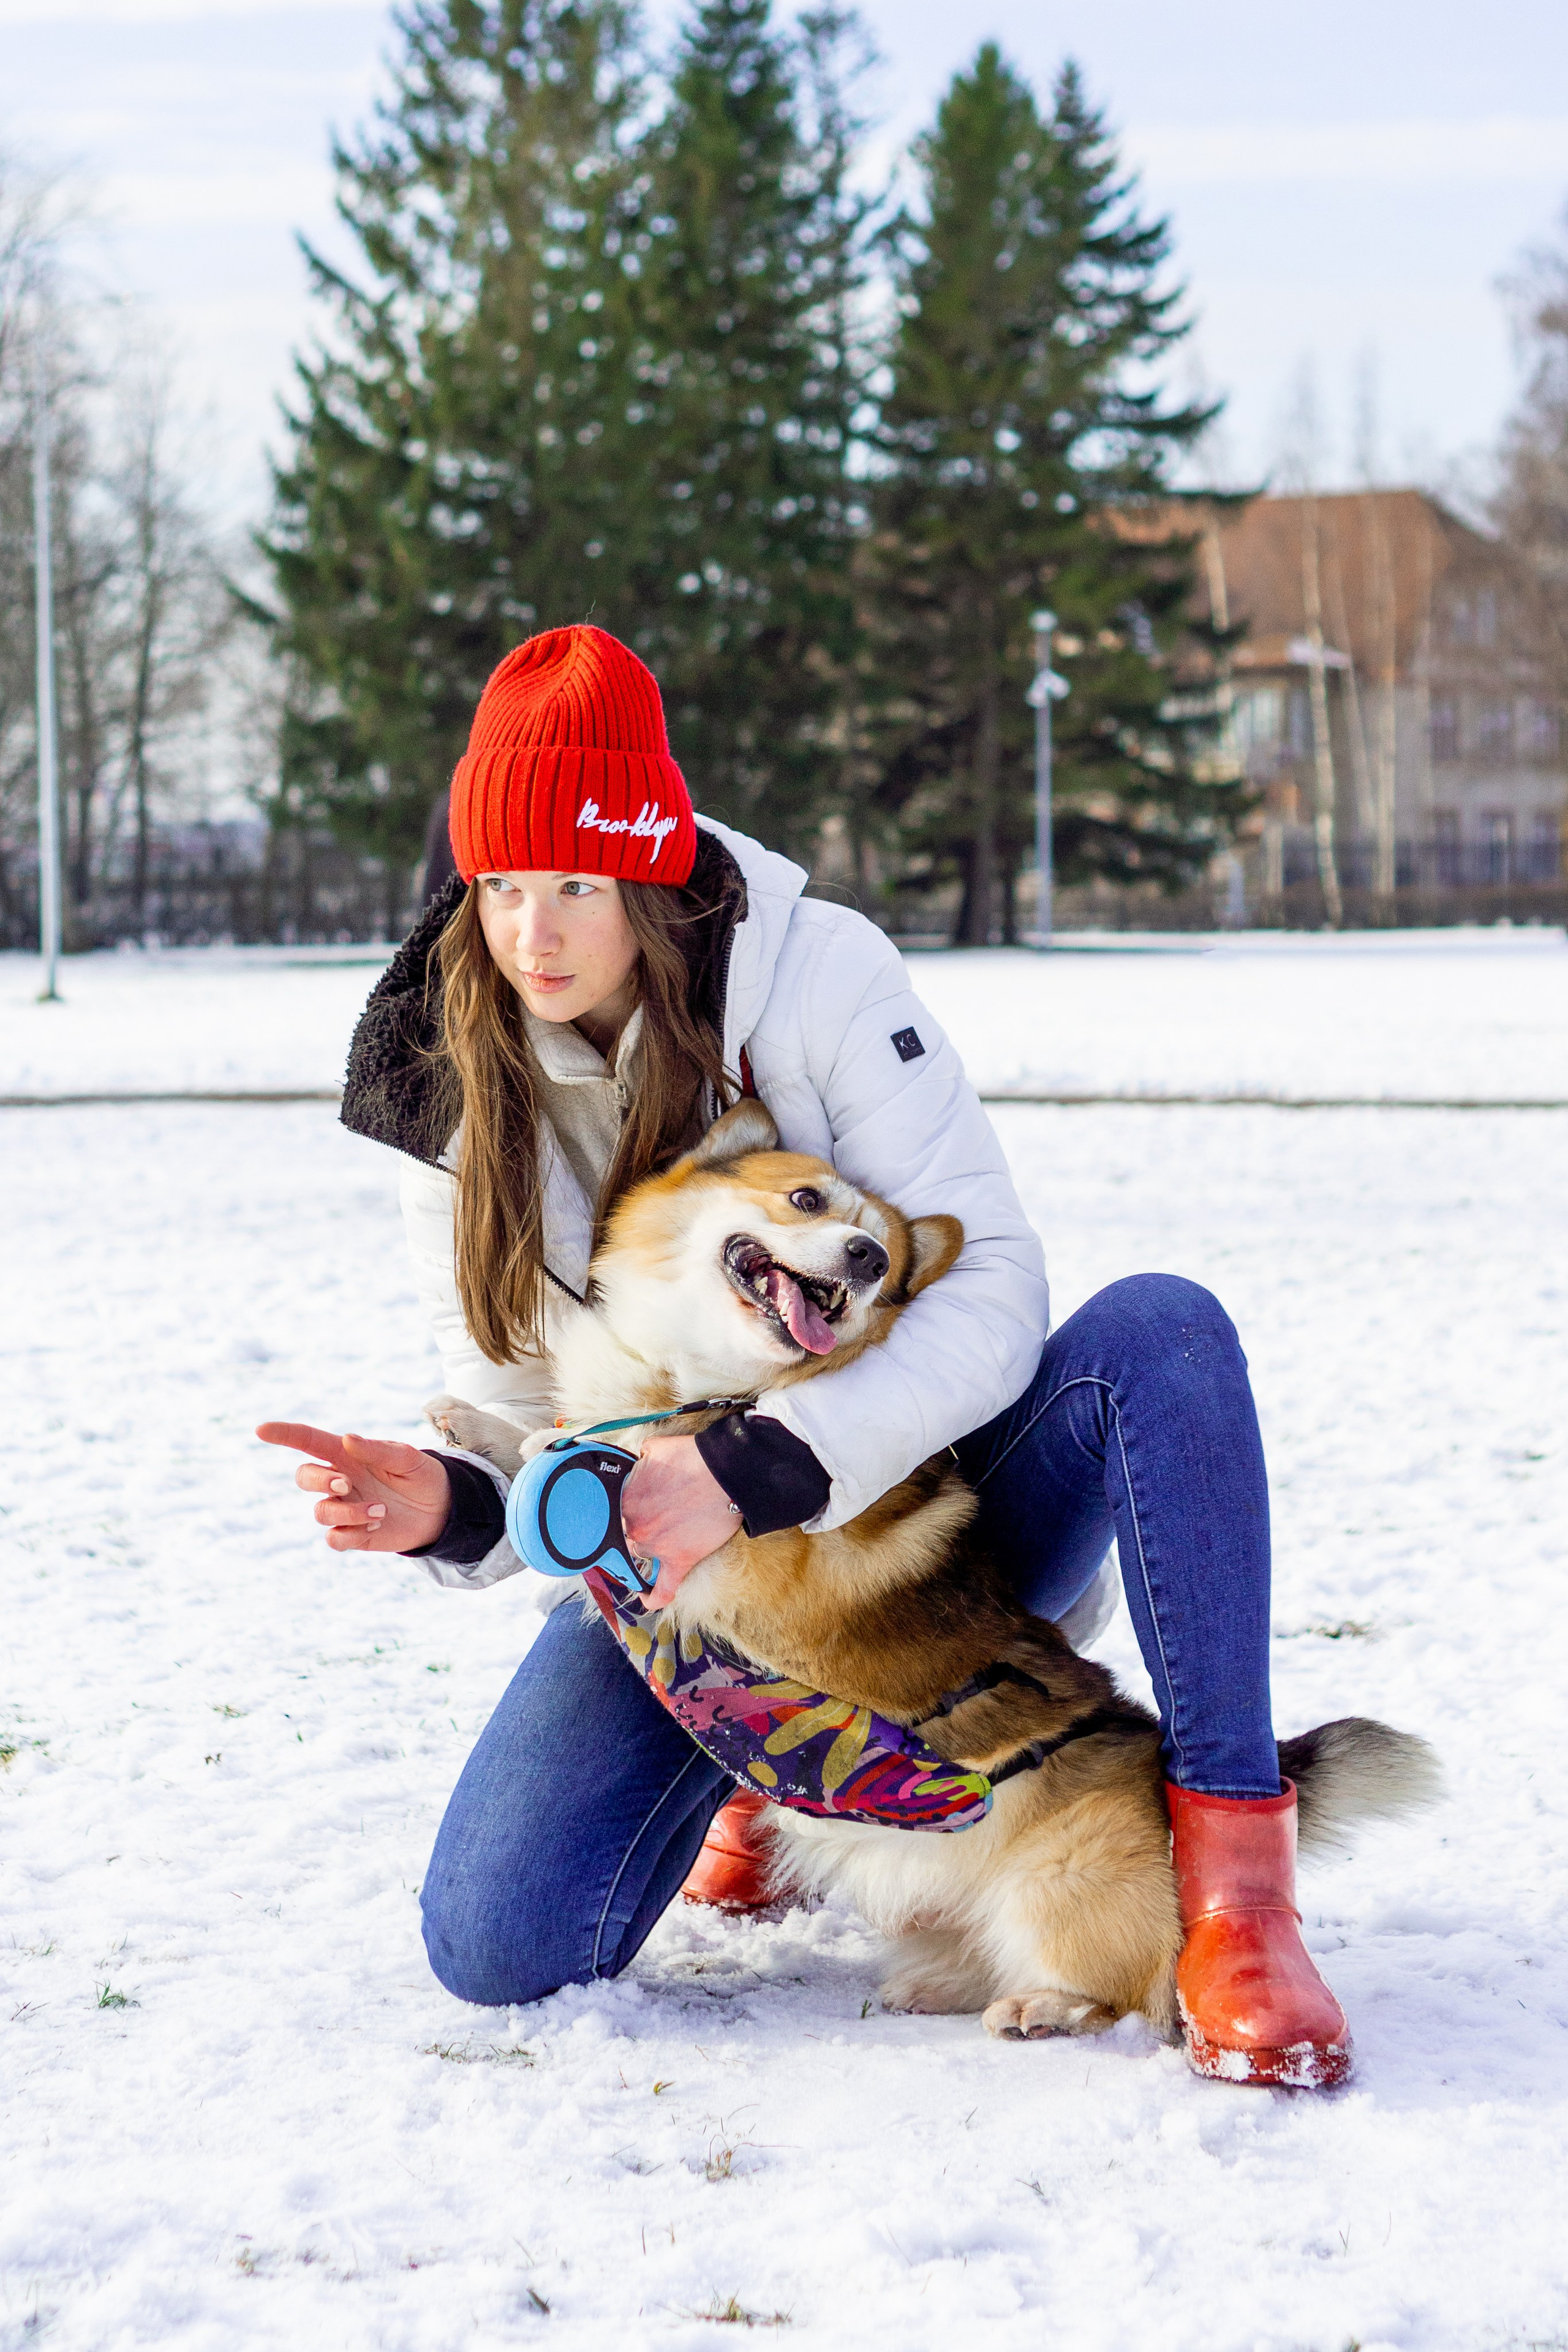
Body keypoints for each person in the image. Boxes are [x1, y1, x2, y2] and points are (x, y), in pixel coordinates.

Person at [260, 623, 1351, 2087]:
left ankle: (1233, 1894)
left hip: (922, 1532)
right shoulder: (442, 1083)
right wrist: (452, 1504)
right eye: (501, 885)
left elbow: (993, 1285)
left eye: (575, 884)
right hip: (682, 1602)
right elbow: (530, 1429)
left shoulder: (817, 971)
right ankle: (751, 1782)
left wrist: (764, 1465)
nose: (533, 933)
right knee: (495, 1943)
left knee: (1158, 1333)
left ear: (643, 870)